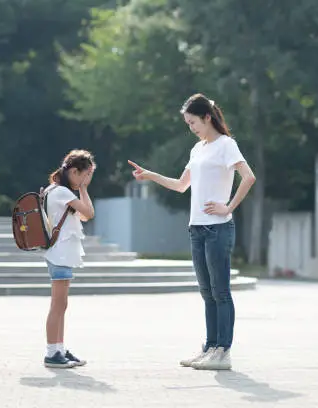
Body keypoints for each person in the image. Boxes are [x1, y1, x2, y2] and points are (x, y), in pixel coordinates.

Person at [128, 94, 256, 370]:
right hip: (196, 228)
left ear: (207, 117)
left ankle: (224, 351)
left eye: (193, 122)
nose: (191, 128)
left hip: (218, 228)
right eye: (188, 124)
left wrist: (229, 206)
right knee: (207, 292)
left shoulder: (226, 145)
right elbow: (180, 185)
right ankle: (210, 348)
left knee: (221, 292)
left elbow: (249, 177)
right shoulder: (197, 149)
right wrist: (150, 175)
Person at [43, 149, 96, 368]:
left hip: (61, 253)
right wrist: (83, 188)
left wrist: (82, 188)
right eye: (86, 175)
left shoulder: (58, 192)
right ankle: (51, 352)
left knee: (61, 305)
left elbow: (84, 214)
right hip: (60, 253)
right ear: (74, 171)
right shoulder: (62, 193)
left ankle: (59, 349)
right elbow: (90, 213)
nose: (87, 179)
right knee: (58, 305)